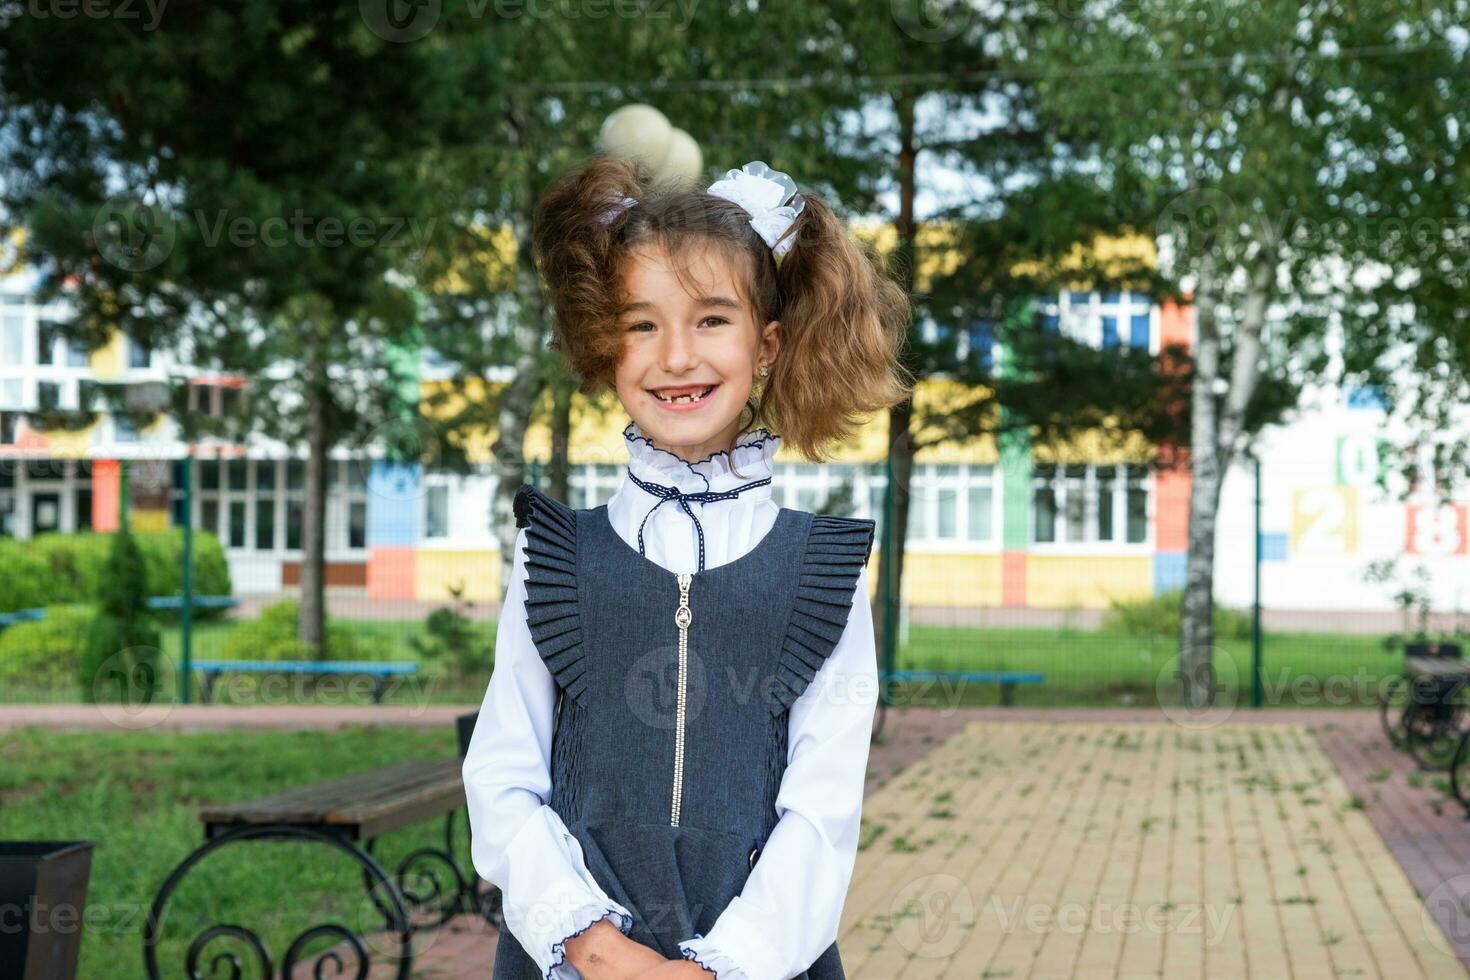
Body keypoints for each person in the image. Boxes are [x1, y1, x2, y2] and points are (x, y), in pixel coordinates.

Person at [462, 153, 913, 980]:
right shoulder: (556, 555)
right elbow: (502, 776)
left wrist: (719, 968)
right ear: (607, 340)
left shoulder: (823, 572)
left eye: (711, 320)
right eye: (642, 324)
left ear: (767, 344)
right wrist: (597, 952)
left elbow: (821, 812)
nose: (676, 356)